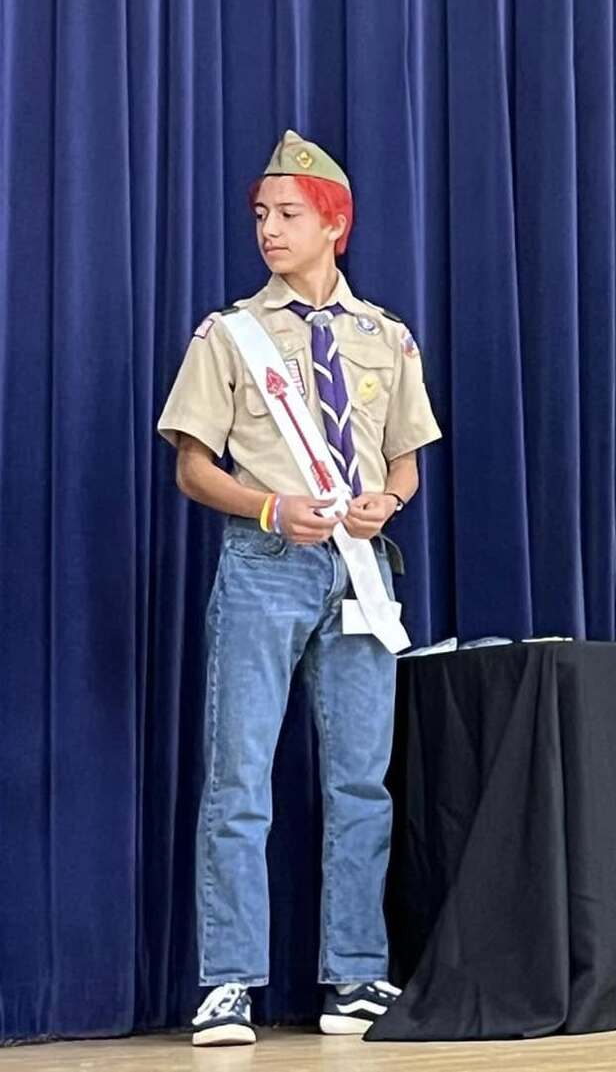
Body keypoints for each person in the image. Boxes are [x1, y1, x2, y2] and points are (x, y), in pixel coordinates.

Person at [158, 130, 441, 1045]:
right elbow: (193, 468)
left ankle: (355, 975)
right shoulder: (230, 333)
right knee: (239, 775)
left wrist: (383, 504)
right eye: (261, 217)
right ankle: (227, 980)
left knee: (362, 781)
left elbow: (407, 461)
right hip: (264, 564)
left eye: (287, 215)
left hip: (359, 572)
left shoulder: (385, 336)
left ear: (335, 224)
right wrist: (272, 508)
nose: (269, 231)